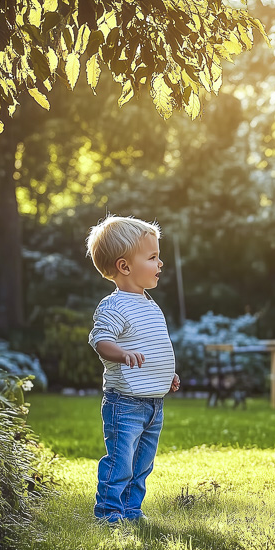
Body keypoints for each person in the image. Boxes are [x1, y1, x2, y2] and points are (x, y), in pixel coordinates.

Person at [85, 215, 180, 523]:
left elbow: (156, 347)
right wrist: (123, 354)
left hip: (154, 402)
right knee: (121, 461)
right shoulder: (114, 306)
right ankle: (109, 512)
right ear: (125, 266)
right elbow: (101, 341)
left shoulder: (149, 304)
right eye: (152, 257)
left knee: (142, 463)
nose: (160, 263)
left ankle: (131, 509)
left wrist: (168, 374)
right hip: (124, 402)